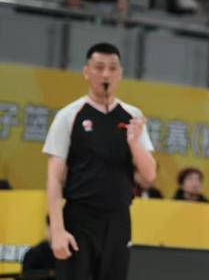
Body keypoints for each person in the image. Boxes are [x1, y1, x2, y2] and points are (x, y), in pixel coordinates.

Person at [43, 42, 156, 280]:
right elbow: (54, 178)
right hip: (79, 219)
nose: (106, 74)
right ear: (86, 72)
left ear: (120, 74)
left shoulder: (133, 116)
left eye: (112, 68)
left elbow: (149, 176)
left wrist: (135, 143)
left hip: (119, 219)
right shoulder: (69, 115)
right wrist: (57, 229)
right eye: (99, 67)